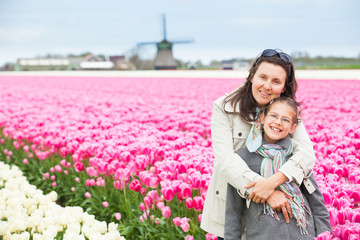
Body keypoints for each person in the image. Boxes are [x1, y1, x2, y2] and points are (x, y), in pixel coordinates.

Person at [200, 49, 318, 239]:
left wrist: (272, 183)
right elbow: (226, 160)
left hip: (276, 213)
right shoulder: (224, 107)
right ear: (252, 76)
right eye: (263, 77)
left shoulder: (288, 111)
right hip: (233, 208)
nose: (267, 86)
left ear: (284, 87)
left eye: (276, 81)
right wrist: (265, 191)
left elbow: (307, 154)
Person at [224, 97, 331, 239]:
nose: (278, 122)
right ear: (262, 118)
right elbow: (233, 213)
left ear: (293, 127)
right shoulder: (243, 158)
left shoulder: (297, 156)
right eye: (273, 116)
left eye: (285, 119)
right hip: (263, 235)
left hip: (302, 233)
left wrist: (325, 234)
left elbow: (317, 203)